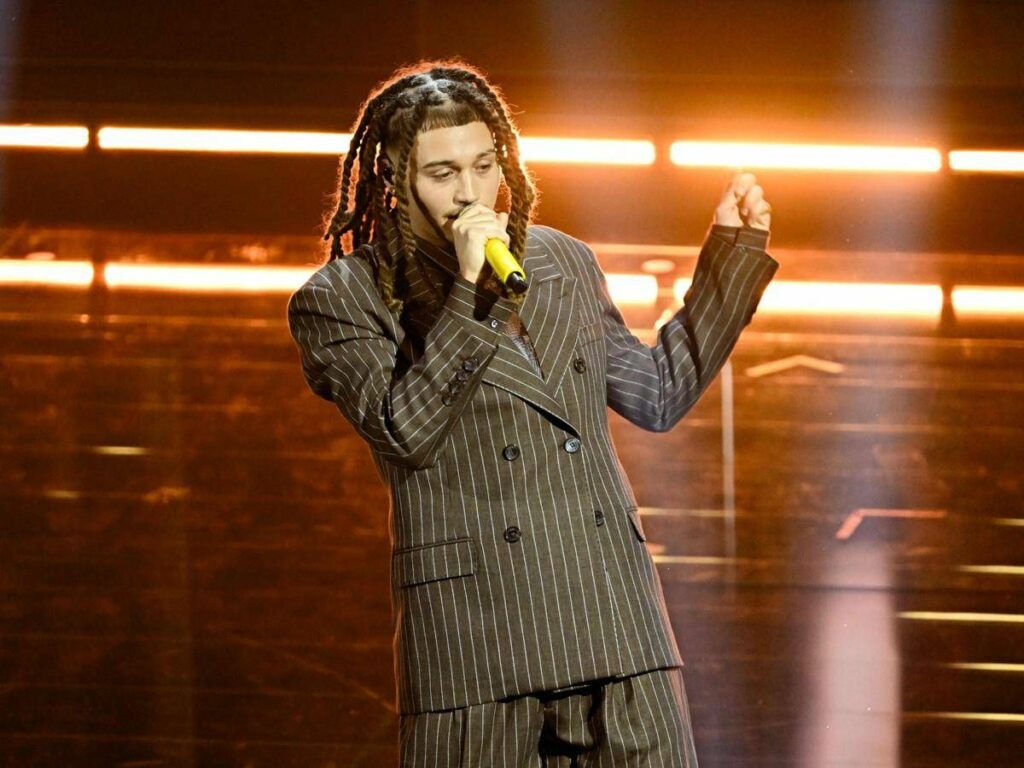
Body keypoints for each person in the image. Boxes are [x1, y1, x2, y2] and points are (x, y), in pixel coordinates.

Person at [286, 58, 777, 767]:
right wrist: (469, 291)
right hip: (475, 643)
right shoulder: (341, 298)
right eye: (443, 173)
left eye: (483, 166)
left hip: (616, 619)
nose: (470, 191)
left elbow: (656, 393)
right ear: (395, 179)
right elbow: (404, 431)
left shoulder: (563, 262)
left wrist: (731, 255)